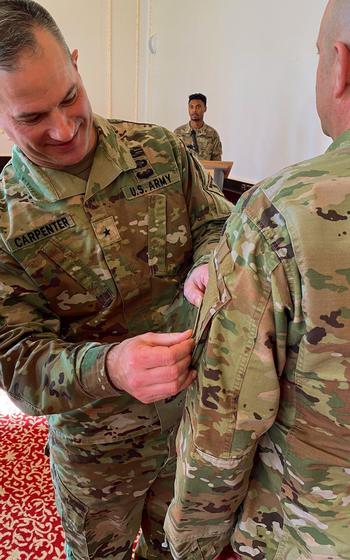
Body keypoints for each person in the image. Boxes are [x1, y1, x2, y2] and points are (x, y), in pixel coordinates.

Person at [0, 1, 233, 559]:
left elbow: (214, 219)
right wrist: (109, 366)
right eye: (32, 117)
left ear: (76, 65)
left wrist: (207, 260)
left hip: (191, 420)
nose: (62, 128)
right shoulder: (7, 219)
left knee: (179, 548)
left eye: (69, 97)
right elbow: (17, 362)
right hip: (96, 453)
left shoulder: (159, 149)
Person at [165, 0, 350, 558]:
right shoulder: (179, 140)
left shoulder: (280, 214)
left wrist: (192, 542)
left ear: (340, 66)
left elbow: (224, 418)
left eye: (316, 56)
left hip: (308, 532)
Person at [174, 93, 222, 161]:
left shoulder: (212, 134)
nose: (194, 110)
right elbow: (174, 160)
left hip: (206, 171)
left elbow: (217, 164)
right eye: (191, 107)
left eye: (198, 107)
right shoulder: (178, 133)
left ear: (205, 108)